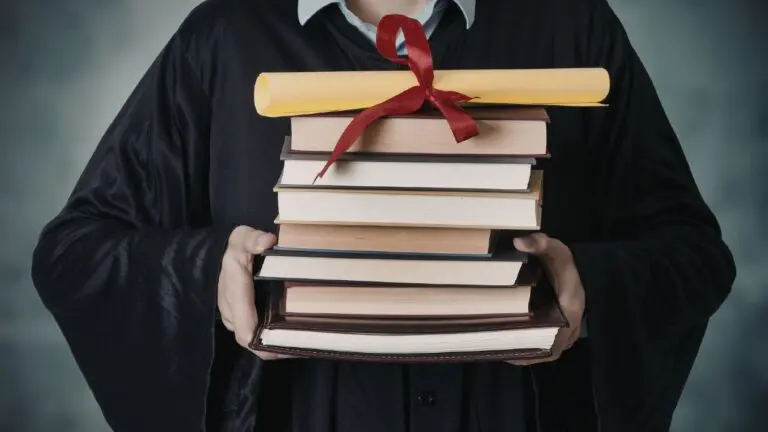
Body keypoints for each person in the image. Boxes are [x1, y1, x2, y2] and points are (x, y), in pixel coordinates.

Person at [30, 0, 736, 431]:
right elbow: (76, 253)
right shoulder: (224, 38)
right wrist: (206, 272)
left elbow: (693, 255)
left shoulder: (571, 26)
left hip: (508, 413)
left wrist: (589, 284)